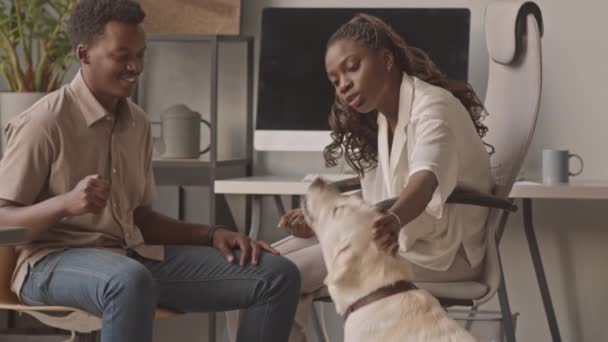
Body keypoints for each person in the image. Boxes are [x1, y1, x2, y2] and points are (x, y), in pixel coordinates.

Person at [0, 1, 300, 342]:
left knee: (276, 275)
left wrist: (211, 233)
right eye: (122, 55)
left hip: (129, 257)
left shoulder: (137, 122)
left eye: (141, 54)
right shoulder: (44, 122)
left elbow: (142, 220)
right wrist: (66, 204)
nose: (135, 66)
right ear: (84, 55)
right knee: (128, 280)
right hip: (49, 264)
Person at [267, 13, 494, 342]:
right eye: (335, 79)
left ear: (386, 59)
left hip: (443, 253)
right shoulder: (384, 120)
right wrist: (321, 220)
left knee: (279, 278)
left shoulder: (433, 107)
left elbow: (424, 179)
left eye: (352, 67)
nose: (343, 84)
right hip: (398, 240)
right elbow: (380, 195)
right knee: (259, 268)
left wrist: (395, 218)